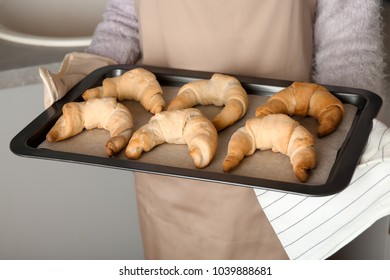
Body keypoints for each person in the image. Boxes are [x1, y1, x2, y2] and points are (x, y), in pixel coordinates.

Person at [39, 0, 389, 259]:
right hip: (167, 171)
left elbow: (349, 40)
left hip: (288, 180)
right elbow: (123, 22)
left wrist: (350, 135)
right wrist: (83, 81)